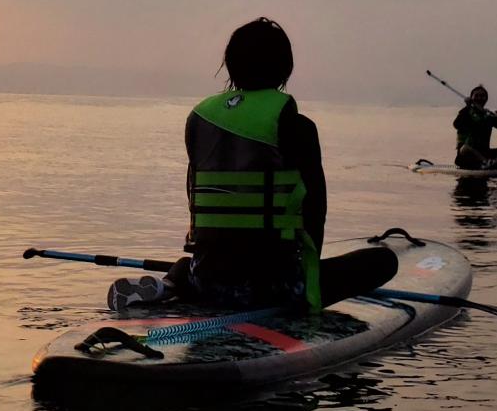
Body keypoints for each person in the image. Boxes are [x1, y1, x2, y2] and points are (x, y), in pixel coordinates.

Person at [107, 17, 397, 313]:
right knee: (383, 262)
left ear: (231, 65)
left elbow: (195, 195)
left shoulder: (199, 121)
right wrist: (308, 286)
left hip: (208, 279)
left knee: (186, 264)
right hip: (271, 287)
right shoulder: (297, 127)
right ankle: (272, 291)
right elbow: (315, 210)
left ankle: (169, 286)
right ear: (285, 67)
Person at [453, 85, 497, 169]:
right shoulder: (465, 112)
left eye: (482, 96)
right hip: (466, 155)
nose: (479, 98)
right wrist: (467, 107)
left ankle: (492, 164)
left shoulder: (489, 116)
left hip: (485, 153)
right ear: (471, 98)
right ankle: (486, 163)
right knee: (465, 148)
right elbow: (456, 124)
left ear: (486, 99)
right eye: (476, 95)